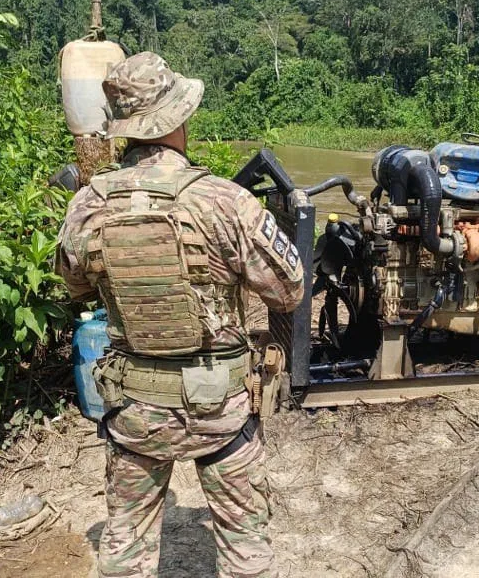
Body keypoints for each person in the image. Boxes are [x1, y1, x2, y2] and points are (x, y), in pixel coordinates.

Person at [56, 51, 304, 578]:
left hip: (134, 412)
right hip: (220, 414)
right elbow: (289, 290)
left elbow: (73, 286)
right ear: (179, 119)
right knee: (247, 555)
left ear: (125, 131)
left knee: (124, 556)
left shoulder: (87, 205)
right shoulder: (225, 202)